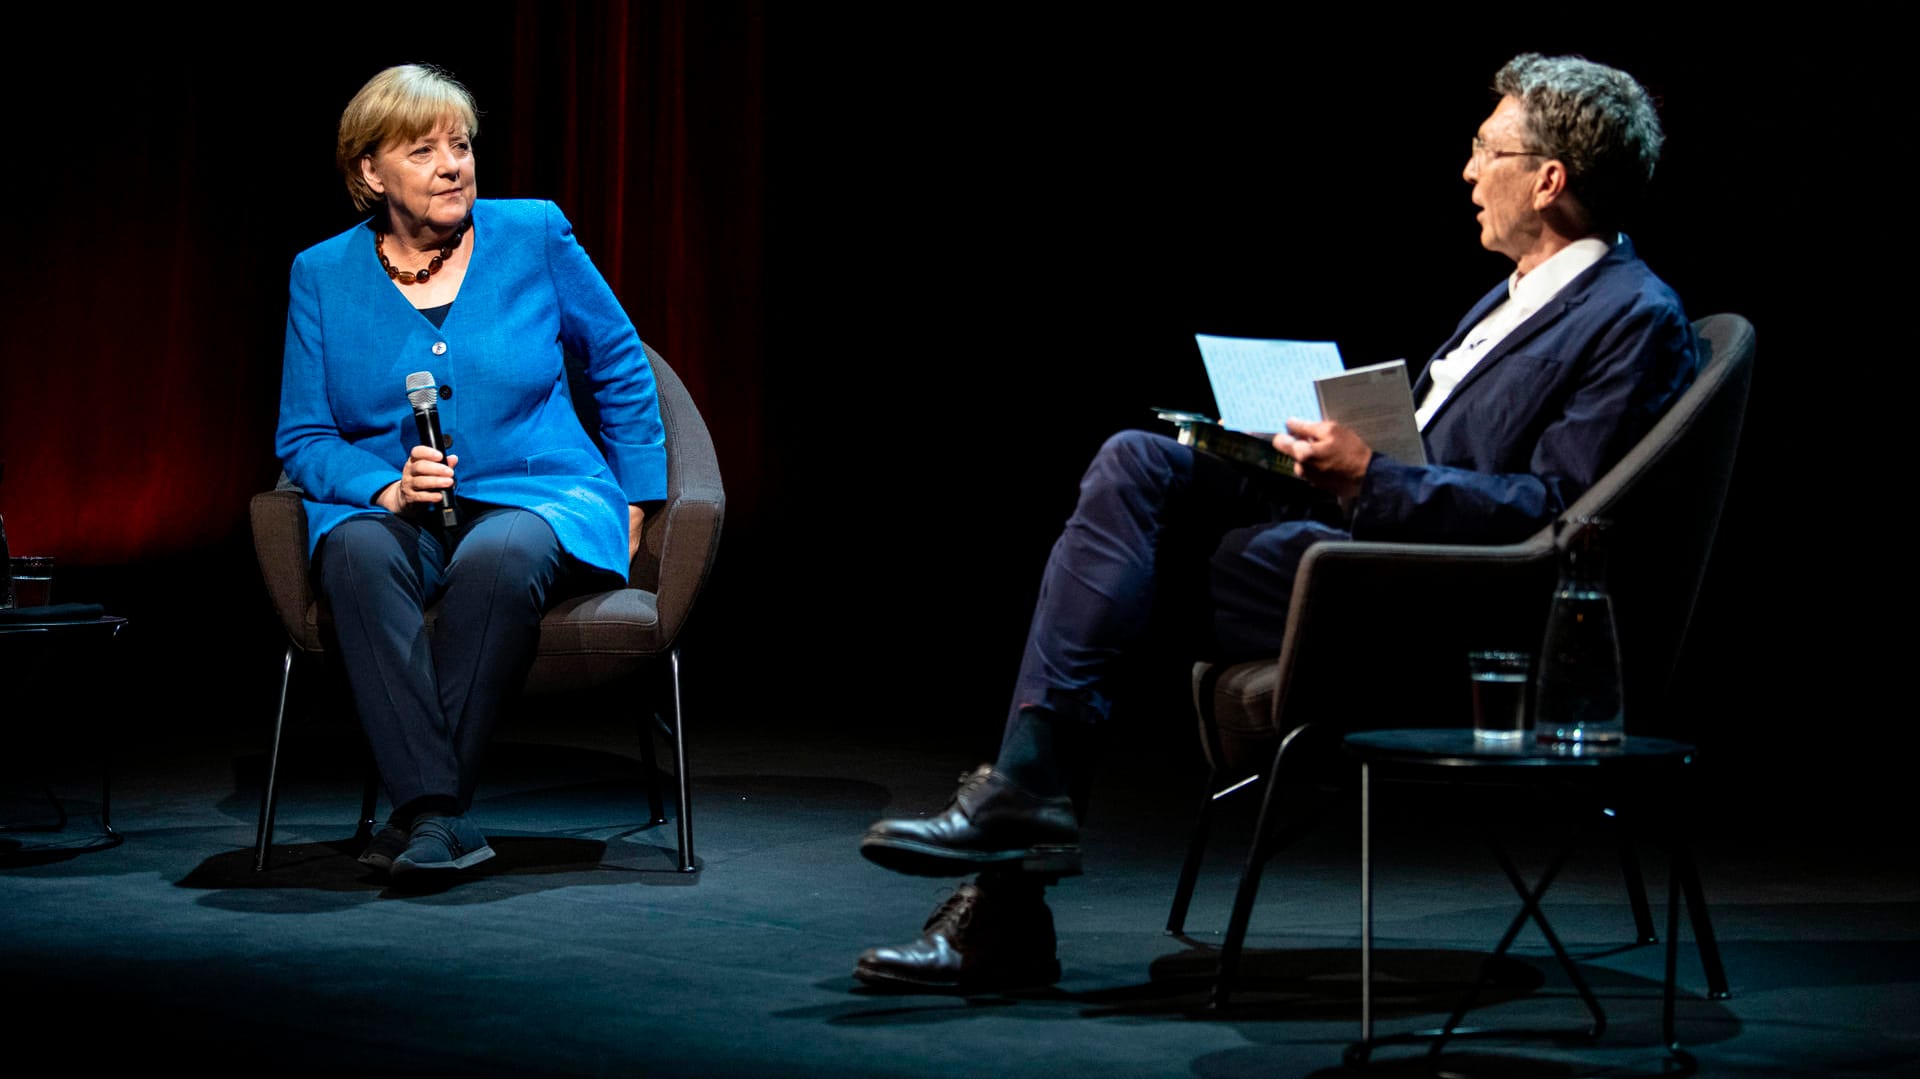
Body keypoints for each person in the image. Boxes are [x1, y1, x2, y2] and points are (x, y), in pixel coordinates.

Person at [853, 54, 1699, 990]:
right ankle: (1021, 813)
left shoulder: (1634, 316)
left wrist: (1368, 476)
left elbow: (1553, 510)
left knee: (1105, 585)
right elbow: (1444, 457)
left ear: (1548, 178)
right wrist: (1301, 458)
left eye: (1484, 148)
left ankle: (1011, 861)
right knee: (1136, 462)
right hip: (1371, 545)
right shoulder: (1511, 298)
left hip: (1442, 605)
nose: (1467, 171)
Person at [276, 65, 666, 881]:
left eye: (461, 144)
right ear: (371, 173)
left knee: (503, 552)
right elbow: (305, 435)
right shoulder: (320, 274)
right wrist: (383, 488)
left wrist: (639, 495)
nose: (454, 164)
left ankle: (420, 812)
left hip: (543, 497)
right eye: (424, 150)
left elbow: (622, 363)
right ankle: (440, 816)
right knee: (352, 551)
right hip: (403, 514)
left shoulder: (534, 233)